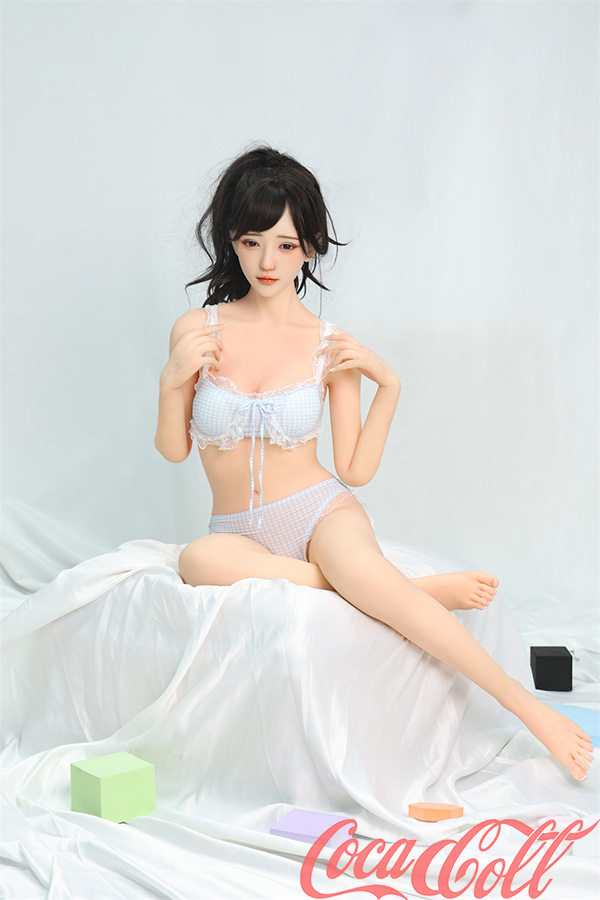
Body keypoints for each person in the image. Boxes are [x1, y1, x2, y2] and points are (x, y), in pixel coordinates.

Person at [154, 144, 593, 782]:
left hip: (319, 512)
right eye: (252, 242)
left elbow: (354, 470)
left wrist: (388, 385)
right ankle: (400, 591)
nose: (268, 262)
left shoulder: (328, 345)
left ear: (310, 246)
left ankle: (530, 710)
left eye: (285, 244)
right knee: (197, 561)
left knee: (350, 559)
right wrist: (171, 379)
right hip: (237, 532)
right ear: (231, 241)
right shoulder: (197, 329)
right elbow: (174, 449)